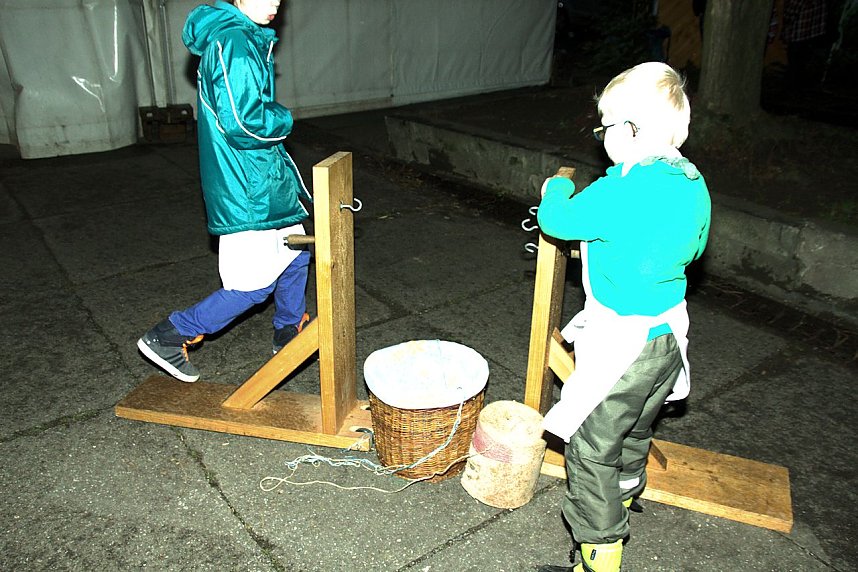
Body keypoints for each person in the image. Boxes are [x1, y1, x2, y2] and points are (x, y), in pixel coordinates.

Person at [535, 62, 711, 572]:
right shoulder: (690, 182)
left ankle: (600, 553)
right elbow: (696, 248)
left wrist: (556, 190)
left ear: (631, 130)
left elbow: (558, 222)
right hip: (668, 337)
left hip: (623, 343)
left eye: (605, 126)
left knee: (589, 446)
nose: (602, 137)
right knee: (634, 427)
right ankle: (628, 494)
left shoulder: (615, 193)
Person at [137, 0, 312, 383]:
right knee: (251, 286)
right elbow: (246, 124)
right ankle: (170, 334)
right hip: (246, 189)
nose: (275, 2)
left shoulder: (243, 36)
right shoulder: (233, 40)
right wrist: (285, 116)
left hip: (262, 178)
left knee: (297, 249)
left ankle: (287, 328)